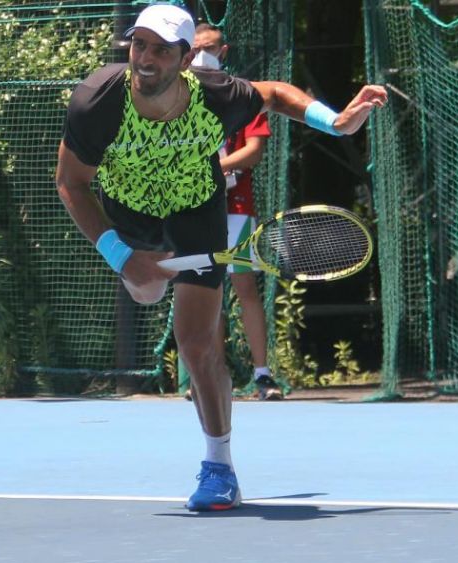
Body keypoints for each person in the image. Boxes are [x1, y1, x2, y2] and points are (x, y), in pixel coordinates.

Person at [55, 3, 386, 512]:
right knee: (144, 290)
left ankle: (219, 468)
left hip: (196, 212)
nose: (145, 58)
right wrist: (122, 256)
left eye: (161, 50)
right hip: (132, 216)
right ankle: (149, 278)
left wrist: (337, 123)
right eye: (139, 45)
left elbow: (274, 95)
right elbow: (71, 184)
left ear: (186, 59)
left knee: (196, 344)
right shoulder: (97, 101)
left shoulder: (214, 96)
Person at [190, 23, 282, 402]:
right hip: (195, 211)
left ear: (223, 51)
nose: (201, 55)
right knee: (204, 291)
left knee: (244, 286)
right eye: (194, 48)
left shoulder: (244, 95)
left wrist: (217, 169)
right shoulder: (180, 96)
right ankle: (210, 374)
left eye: (208, 47)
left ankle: (262, 375)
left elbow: (254, 151)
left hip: (236, 209)